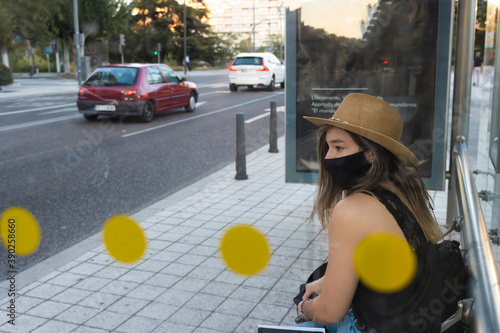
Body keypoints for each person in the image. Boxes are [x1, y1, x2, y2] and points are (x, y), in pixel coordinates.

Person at [296, 93, 445, 333]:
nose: (327, 157)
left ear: (371, 154)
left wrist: (303, 308)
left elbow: (329, 312)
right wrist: (328, 281)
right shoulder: (407, 190)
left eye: (338, 147)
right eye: (328, 147)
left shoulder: (352, 210)